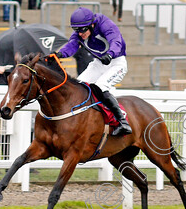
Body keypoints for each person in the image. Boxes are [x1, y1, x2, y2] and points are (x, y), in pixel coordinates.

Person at [55, 7, 132, 135]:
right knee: (79, 86)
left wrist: (110, 54)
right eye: (77, 30)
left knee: (100, 86)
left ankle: (122, 122)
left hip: (116, 62)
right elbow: (72, 45)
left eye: (83, 29)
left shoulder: (105, 24)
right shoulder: (82, 30)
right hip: (98, 63)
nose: (80, 33)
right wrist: (59, 54)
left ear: (92, 24)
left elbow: (115, 40)